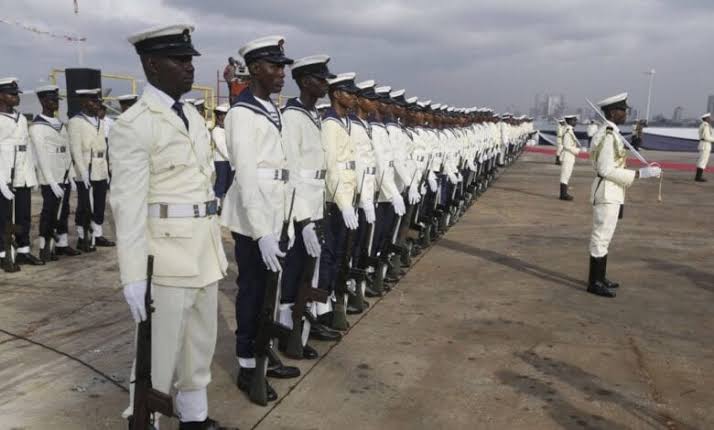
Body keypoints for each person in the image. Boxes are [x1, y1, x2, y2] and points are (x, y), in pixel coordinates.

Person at [111, 24, 232, 430]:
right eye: (179, 60)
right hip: (164, 257)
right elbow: (127, 207)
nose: (188, 66)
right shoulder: (135, 125)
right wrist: (131, 275)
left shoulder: (193, 117)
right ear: (151, 64)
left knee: (199, 345)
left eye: (190, 59)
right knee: (157, 357)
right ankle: (143, 422)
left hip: (203, 250)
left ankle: (194, 420)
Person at [221, 35, 300, 403]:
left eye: (283, 66)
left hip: (276, 214)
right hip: (255, 219)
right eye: (275, 66)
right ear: (255, 69)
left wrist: (286, 221)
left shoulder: (272, 109)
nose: (282, 73)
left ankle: (263, 352)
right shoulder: (241, 113)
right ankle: (247, 365)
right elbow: (248, 176)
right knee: (253, 293)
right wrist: (261, 231)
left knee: (271, 291)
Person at [279, 54, 340, 355]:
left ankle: (304, 327)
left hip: (316, 203)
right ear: (305, 81)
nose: (325, 84)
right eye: (320, 79)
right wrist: (303, 221)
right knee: (294, 273)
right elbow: (292, 172)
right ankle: (289, 335)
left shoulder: (312, 115)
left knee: (310, 272)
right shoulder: (291, 117)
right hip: (300, 208)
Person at [587, 93, 661, 298]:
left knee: (606, 236)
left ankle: (600, 278)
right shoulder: (608, 136)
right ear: (612, 112)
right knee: (600, 237)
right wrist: (640, 174)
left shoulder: (613, 133)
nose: (625, 113)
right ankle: (594, 282)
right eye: (622, 110)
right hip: (607, 191)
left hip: (613, 191)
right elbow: (605, 170)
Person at [317, 72, 359, 329]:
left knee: (340, 256)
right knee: (329, 256)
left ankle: (332, 301)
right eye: (348, 92)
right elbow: (331, 168)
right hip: (334, 202)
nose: (353, 97)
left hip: (347, 198)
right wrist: (343, 203)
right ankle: (322, 309)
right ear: (336, 94)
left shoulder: (344, 123)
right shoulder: (330, 125)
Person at [29, 85, 81, 261]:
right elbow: (41, 156)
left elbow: (67, 152)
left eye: (56, 100)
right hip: (50, 177)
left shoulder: (60, 124)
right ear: (43, 101)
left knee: (64, 210)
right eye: (51, 100)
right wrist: (50, 181)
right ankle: (45, 246)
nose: (55, 103)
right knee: (49, 211)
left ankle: (62, 244)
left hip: (64, 175)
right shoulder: (37, 127)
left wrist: (72, 175)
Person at [0, 77, 43, 271]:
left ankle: (23, 250)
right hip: (5, 176)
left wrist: (32, 174)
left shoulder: (22, 118)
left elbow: (27, 147)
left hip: (23, 174)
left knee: (24, 215)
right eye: (12, 94)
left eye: (17, 94)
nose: (17, 98)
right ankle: (4, 254)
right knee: (4, 218)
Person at [68, 87, 115, 250]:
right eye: (93, 101)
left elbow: (104, 147)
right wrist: (82, 172)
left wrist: (107, 170)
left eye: (97, 101)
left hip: (100, 168)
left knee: (100, 204)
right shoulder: (76, 122)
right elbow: (75, 150)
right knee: (85, 205)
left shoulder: (100, 121)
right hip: (86, 169)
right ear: (83, 102)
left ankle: (97, 234)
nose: (97, 104)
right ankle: (82, 237)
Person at [211, 103, 233, 208]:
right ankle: (216, 205)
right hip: (221, 160)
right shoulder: (216, 130)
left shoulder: (227, 129)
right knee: (221, 183)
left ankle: (224, 206)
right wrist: (233, 159)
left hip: (229, 160)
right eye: (223, 114)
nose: (224, 116)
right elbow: (222, 147)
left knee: (229, 184)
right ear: (219, 116)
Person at [559, 114, 581, 201]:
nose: (576, 122)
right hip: (567, 155)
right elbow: (567, 145)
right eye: (574, 120)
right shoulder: (568, 131)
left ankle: (564, 193)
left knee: (567, 174)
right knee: (565, 174)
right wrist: (577, 150)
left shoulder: (569, 130)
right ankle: (563, 194)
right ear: (569, 121)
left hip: (569, 156)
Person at [695, 113, 712, 182]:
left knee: (702, 161)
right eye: (709, 118)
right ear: (706, 119)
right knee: (702, 161)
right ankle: (698, 177)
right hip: (705, 145)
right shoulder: (705, 126)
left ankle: (698, 177)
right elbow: (706, 137)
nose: (710, 119)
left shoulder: (704, 125)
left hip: (704, 144)